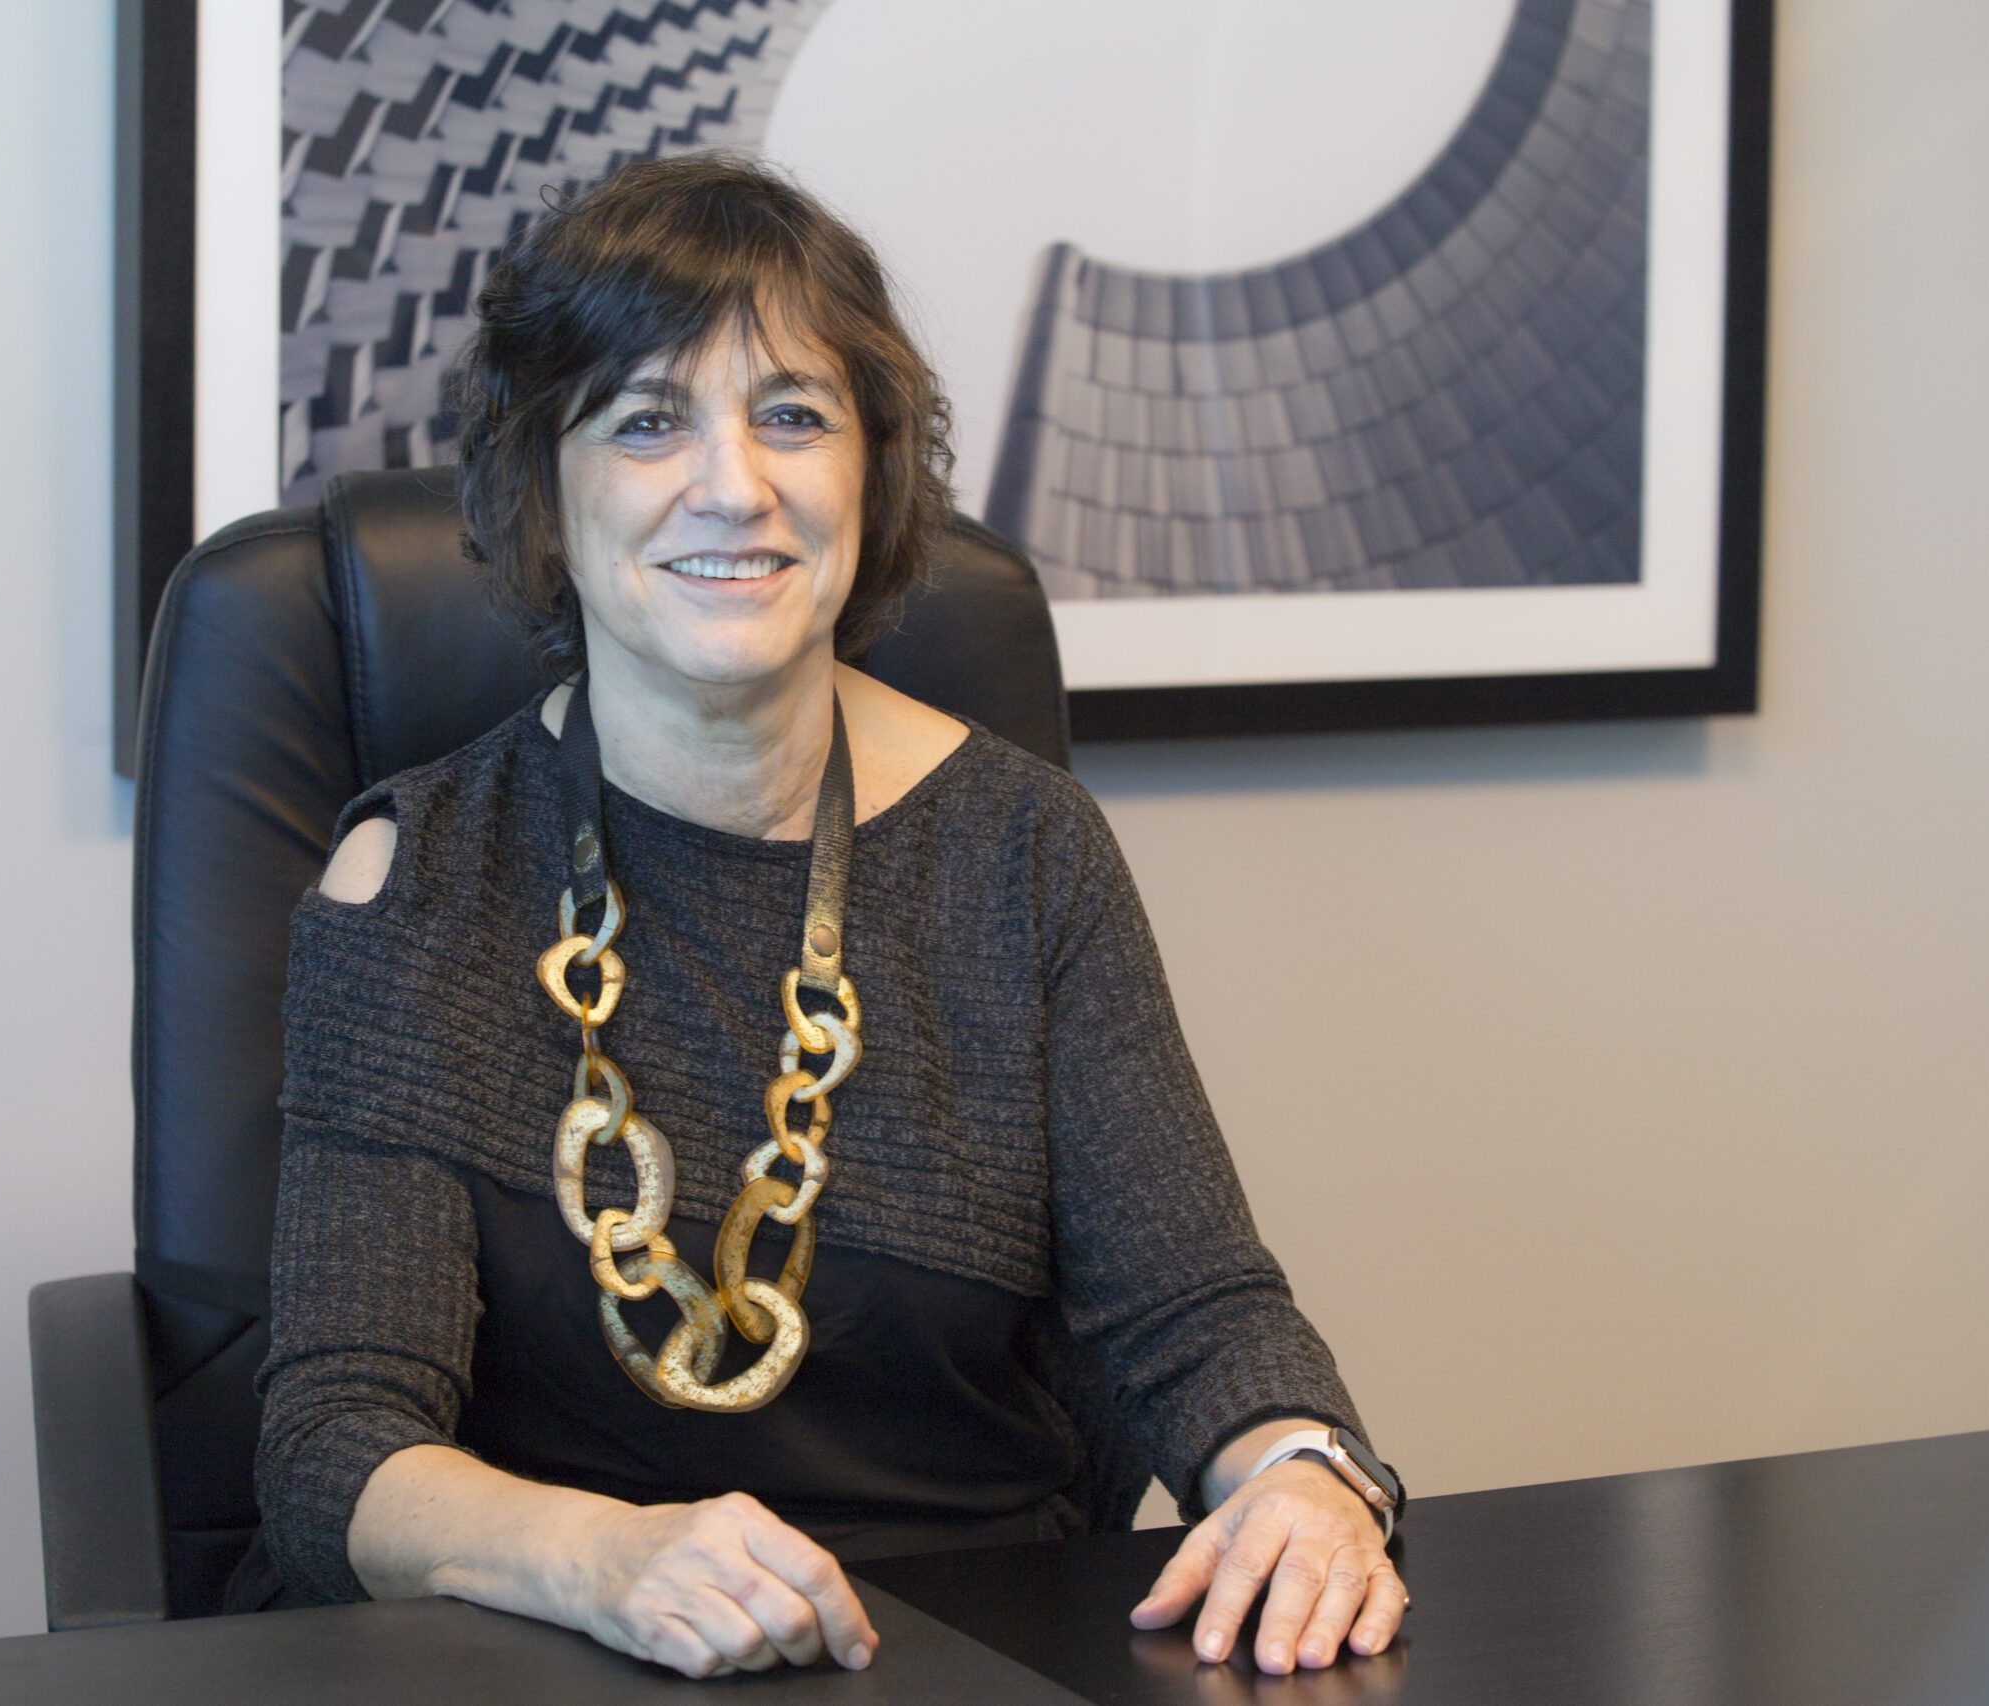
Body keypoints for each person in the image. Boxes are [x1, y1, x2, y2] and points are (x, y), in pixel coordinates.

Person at [228, 150, 1408, 1679]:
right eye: (646, 420)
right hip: (553, 1644)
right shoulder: (416, 880)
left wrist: (1305, 1474)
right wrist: (604, 1557)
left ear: (873, 471)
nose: (736, 485)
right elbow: (335, 1446)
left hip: (976, 1643)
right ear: (546, 492)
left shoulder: (1027, 852)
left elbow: (1198, 1314)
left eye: (793, 414)